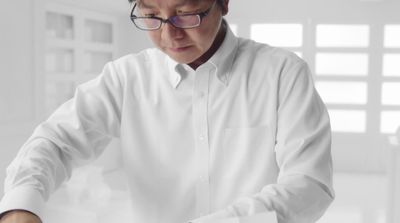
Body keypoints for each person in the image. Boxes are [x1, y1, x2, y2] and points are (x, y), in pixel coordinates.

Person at [0, 0, 334, 222]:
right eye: (151, 15)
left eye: (186, 13)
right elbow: (56, 142)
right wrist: (20, 204)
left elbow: (310, 183)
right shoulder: (126, 78)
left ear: (224, 3)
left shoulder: (282, 73)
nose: (168, 33)